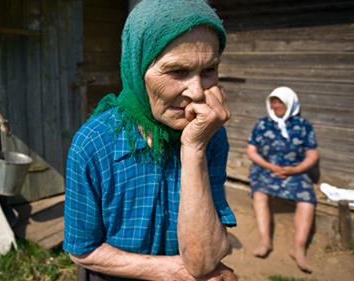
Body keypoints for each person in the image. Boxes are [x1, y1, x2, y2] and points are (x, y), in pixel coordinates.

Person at [63, 1, 238, 280]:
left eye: (209, 70)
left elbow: (203, 261)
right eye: (177, 72)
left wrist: (194, 149)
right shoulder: (93, 144)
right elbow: (82, 250)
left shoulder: (209, 135)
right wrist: (170, 270)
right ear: (137, 67)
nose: (197, 92)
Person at [246, 86, 319, 273]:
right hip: (266, 169)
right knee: (259, 193)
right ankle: (265, 240)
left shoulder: (303, 125)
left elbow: (312, 155)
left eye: (281, 102)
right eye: (274, 102)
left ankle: (299, 248)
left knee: (307, 199)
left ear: (291, 103)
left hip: (295, 171)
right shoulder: (263, 124)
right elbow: (251, 151)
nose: (277, 105)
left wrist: (295, 169)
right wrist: (270, 167)